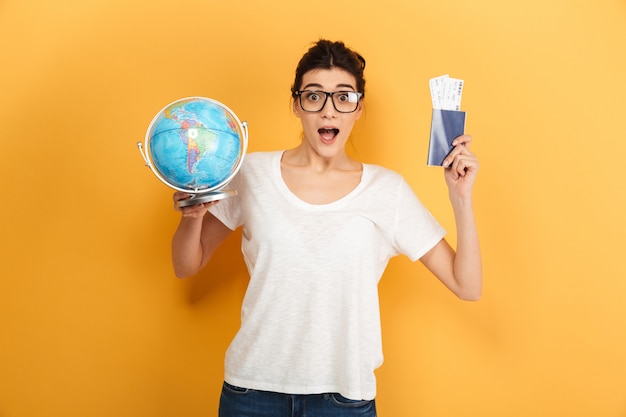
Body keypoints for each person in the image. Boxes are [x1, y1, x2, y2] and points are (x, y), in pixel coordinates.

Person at [171, 39, 482, 417]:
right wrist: (193, 217)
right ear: (297, 105)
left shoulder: (388, 190)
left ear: (358, 108)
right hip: (252, 393)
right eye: (314, 97)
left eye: (343, 97)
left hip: (344, 399)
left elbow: (467, 286)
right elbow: (187, 264)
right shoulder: (251, 173)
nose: (328, 111)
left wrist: (460, 197)